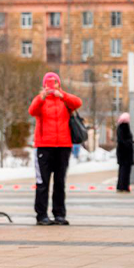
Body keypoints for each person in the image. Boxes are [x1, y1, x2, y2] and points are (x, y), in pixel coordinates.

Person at [28, 72, 82, 225]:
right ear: (44, 85)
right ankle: (41, 215)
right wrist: (41, 97)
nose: (52, 85)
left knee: (60, 182)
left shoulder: (64, 100)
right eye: (49, 83)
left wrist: (62, 95)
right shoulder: (41, 101)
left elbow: (78, 102)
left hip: (63, 146)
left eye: (55, 82)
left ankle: (59, 214)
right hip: (44, 147)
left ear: (59, 84)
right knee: (42, 182)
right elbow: (31, 111)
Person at [116, 113, 134, 193]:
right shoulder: (125, 127)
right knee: (126, 171)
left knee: (122, 170)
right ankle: (125, 186)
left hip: (121, 152)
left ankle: (120, 186)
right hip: (126, 153)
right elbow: (125, 140)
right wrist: (131, 142)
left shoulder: (119, 127)